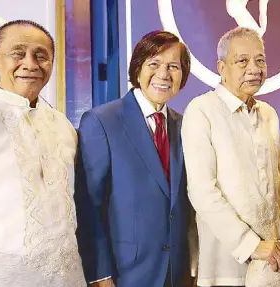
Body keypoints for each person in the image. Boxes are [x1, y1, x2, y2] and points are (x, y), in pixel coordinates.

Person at [0, 20, 85, 286]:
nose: (30, 64)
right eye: (18, 53)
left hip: (69, 278)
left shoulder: (63, 126)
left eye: (41, 56)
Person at [181, 27, 280, 287]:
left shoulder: (269, 113)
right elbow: (202, 191)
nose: (254, 68)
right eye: (242, 61)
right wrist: (251, 245)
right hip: (227, 260)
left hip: (275, 258)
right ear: (221, 67)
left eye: (260, 60)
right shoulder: (201, 110)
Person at [75, 30, 196, 287]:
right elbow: (89, 206)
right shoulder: (102, 121)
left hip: (176, 272)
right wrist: (100, 274)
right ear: (137, 68)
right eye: (154, 64)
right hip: (124, 273)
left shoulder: (184, 125)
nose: (164, 74)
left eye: (173, 66)